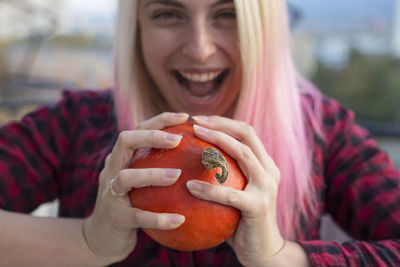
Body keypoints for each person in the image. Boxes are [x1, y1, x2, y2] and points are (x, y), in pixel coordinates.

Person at [0, 0, 399, 266]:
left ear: (262, 25)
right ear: (135, 28)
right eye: (168, 14)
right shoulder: (78, 123)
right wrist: (88, 242)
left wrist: (282, 257)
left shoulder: (324, 132)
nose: (200, 49)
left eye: (226, 13)